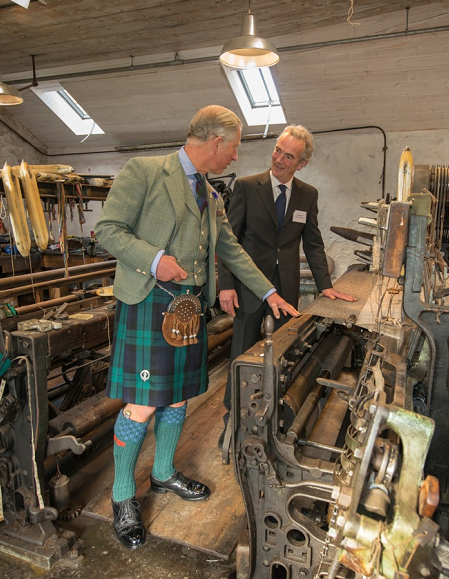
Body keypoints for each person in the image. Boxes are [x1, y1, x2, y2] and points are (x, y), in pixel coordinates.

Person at [94, 105, 299, 550]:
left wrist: (269, 294)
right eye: (234, 148)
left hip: (189, 308)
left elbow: (233, 250)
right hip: (150, 301)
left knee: (181, 395)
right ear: (215, 143)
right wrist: (153, 259)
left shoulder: (211, 193)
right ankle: (123, 495)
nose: (235, 158)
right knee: (143, 403)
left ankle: (164, 472)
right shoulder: (145, 171)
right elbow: (107, 229)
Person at [217, 125, 356, 444]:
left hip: (286, 288)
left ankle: (270, 413)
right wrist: (226, 285)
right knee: (242, 351)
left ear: (302, 163)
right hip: (247, 286)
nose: (279, 159)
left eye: (288, 155)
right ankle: (232, 417)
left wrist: (326, 284)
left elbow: (314, 242)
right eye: (278, 150)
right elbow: (228, 241)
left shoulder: (308, 195)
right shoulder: (248, 187)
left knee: (281, 352)